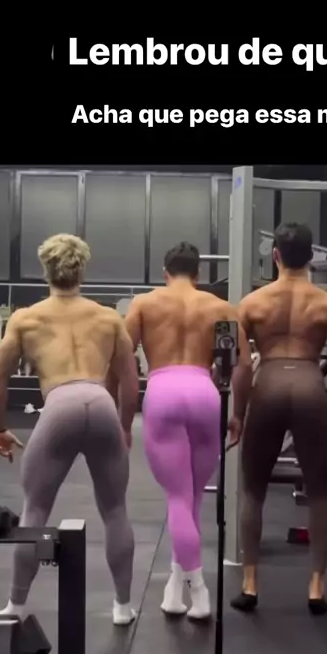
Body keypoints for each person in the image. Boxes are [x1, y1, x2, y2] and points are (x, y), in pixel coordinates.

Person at [230, 222, 327, 616]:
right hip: (310, 386)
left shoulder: (251, 303)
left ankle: (250, 583)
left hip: (269, 385)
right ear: (311, 257)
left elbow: (241, 367)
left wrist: (237, 414)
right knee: (318, 491)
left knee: (253, 490)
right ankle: (315, 587)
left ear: (275, 255)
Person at [0, 234, 140, 626]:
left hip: (60, 405)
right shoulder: (108, 317)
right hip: (101, 403)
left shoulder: (26, 318)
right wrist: (125, 427)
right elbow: (130, 380)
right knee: (115, 509)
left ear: (46, 270)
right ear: (82, 270)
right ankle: (123, 606)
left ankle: (16, 605)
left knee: (35, 509)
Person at [119, 242, 252, 621]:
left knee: (178, 498)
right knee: (191, 499)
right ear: (198, 273)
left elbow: (122, 363)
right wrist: (238, 413)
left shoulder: (143, 305)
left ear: (165, 272)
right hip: (204, 393)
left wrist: (124, 419)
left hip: (163, 391)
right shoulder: (220, 307)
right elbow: (242, 365)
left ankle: (199, 591)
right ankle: (175, 589)